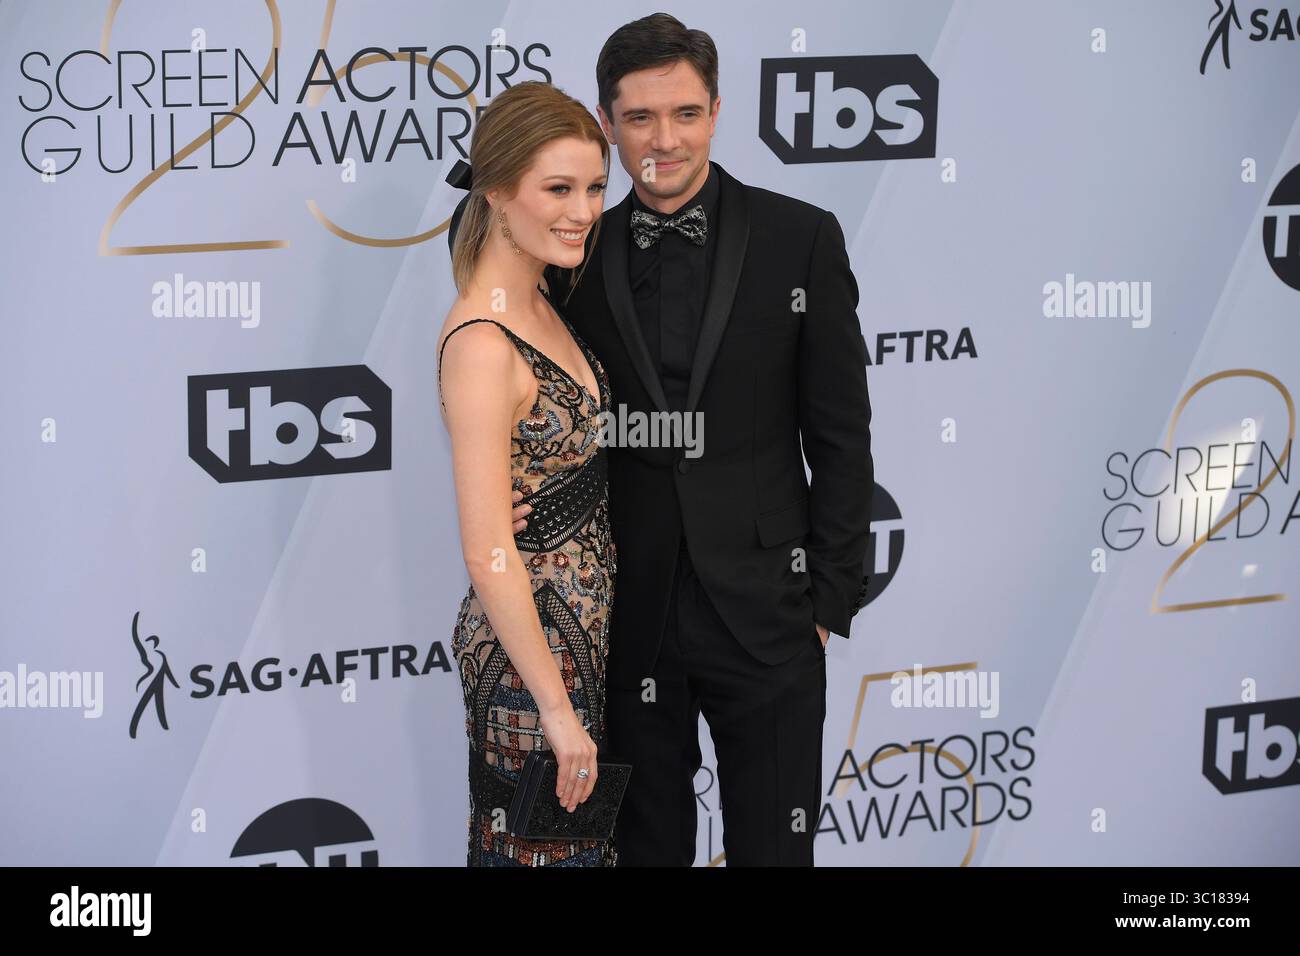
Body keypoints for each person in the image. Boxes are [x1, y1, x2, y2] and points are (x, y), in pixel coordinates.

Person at [524, 13, 875, 866]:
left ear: (717, 110)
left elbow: (840, 431)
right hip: (628, 613)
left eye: (684, 113)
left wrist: (827, 600)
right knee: (646, 851)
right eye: (639, 118)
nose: (664, 139)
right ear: (607, 124)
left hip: (769, 611)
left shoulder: (801, 239)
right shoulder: (569, 249)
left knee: (774, 850)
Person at [436, 81, 616, 866]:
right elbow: (486, 550)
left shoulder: (544, 297)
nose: (583, 209)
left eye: (595, 187)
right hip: (529, 665)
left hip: (580, 649)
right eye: (558, 188)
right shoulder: (482, 343)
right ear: (496, 191)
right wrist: (554, 706)